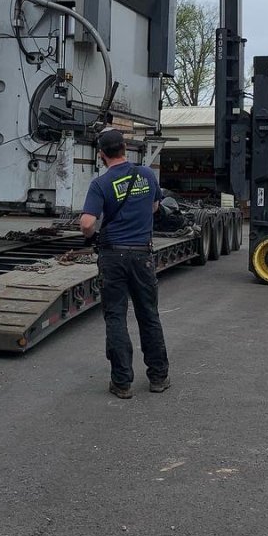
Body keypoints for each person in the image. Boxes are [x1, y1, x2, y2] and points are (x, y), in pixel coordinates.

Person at [80, 128, 170, 399]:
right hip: (142, 255)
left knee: (116, 316)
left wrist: (91, 233)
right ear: (125, 149)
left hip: (113, 257)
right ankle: (158, 377)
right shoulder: (147, 175)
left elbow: (87, 223)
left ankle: (122, 383)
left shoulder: (100, 184)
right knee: (149, 315)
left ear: (101, 155)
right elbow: (155, 207)